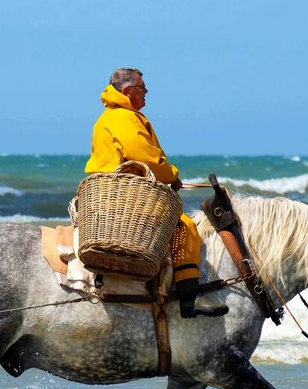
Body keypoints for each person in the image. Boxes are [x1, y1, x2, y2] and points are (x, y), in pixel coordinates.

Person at [85, 68, 228, 318]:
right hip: (125, 196)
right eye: (142, 88)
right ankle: (188, 302)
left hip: (111, 193)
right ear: (128, 91)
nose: (146, 92)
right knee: (184, 228)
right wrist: (172, 176)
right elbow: (147, 160)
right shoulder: (123, 118)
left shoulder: (112, 116)